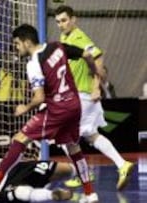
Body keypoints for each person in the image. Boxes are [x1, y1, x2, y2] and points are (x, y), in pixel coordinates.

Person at [0, 24, 99, 203]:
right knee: (74, 148)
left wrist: (25, 107)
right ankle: (90, 194)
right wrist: (95, 76)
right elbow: (87, 55)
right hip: (74, 104)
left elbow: (39, 98)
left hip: (58, 109)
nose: (16, 48)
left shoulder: (34, 63)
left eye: (17, 44)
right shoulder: (57, 46)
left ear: (26, 42)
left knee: (20, 138)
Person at [54, 5, 133, 190]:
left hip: (83, 95)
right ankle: (122, 164)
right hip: (77, 95)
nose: (61, 25)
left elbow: (97, 57)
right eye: (58, 21)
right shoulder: (65, 37)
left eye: (64, 20)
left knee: (63, 136)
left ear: (74, 19)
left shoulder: (80, 37)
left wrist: (96, 87)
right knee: (90, 136)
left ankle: (83, 172)